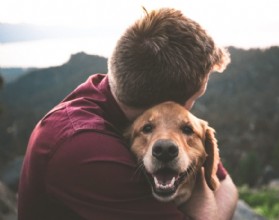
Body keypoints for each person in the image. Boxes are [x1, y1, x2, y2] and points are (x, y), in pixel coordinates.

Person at [18, 7, 238, 220]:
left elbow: (227, 186)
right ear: (166, 104)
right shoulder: (85, 149)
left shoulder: (114, 92)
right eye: (195, 97)